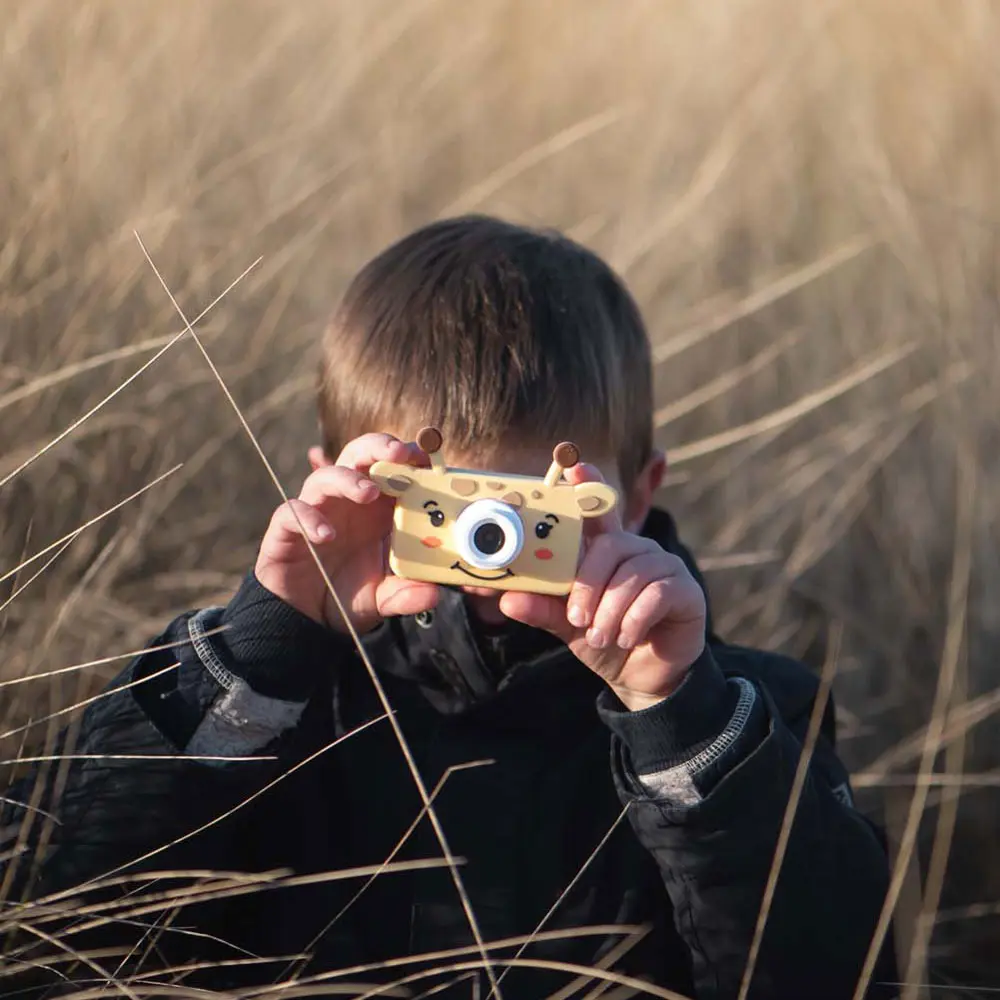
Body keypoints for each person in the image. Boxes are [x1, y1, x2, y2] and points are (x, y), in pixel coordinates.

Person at [1, 216, 896, 999]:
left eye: (533, 514)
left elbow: (840, 978)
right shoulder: (270, 701)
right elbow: (53, 931)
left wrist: (681, 720)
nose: (484, 553)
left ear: (633, 497)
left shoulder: (741, 718)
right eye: (437, 506)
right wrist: (257, 649)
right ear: (336, 483)